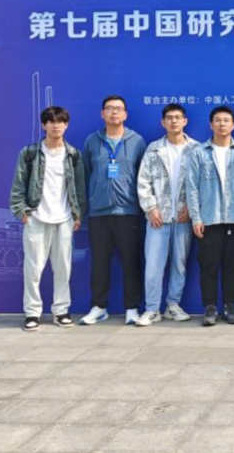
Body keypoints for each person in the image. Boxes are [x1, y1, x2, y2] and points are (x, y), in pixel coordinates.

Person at [10, 106, 87, 331]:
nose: (56, 125)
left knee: (63, 268)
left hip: (64, 219)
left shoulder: (73, 154)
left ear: (66, 125)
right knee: (33, 269)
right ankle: (32, 313)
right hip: (36, 217)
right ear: (44, 125)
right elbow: (18, 184)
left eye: (60, 122)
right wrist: (22, 212)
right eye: (51, 122)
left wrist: (78, 214)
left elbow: (79, 187)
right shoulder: (30, 153)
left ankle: (61, 311)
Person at [80, 96, 147, 325]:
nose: (114, 112)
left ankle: (132, 308)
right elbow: (86, 173)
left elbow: (143, 175)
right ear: (102, 114)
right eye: (109, 109)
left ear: (125, 114)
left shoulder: (137, 141)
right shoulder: (91, 141)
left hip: (128, 212)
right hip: (98, 212)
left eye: (118, 109)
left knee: (130, 262)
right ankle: (99, 307)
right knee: (99, 262)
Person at [185, 105, 234, 327]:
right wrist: (196, 217)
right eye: (218, 120)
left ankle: (230, 306)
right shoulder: (198, 152)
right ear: (211, 124)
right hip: (209, 219)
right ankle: (210, 307)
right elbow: (191, 187)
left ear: (233, 125)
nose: (222, 124)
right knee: (208, 265)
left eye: (226, 120)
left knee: (232, 265)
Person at [136, 103, 199, 326]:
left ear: (185, 121)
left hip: (183, 217)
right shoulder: (154, 149)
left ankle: (173, 305)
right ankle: (152, 309)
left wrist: (192, 208)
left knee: (179, 263)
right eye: (169, 117)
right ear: (163, 122)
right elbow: (143, 181)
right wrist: (151, 208)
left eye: (178, 117)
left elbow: (201, 182)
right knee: (154, 264)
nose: (174, 121)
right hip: (158, 218)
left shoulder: (196, 149)